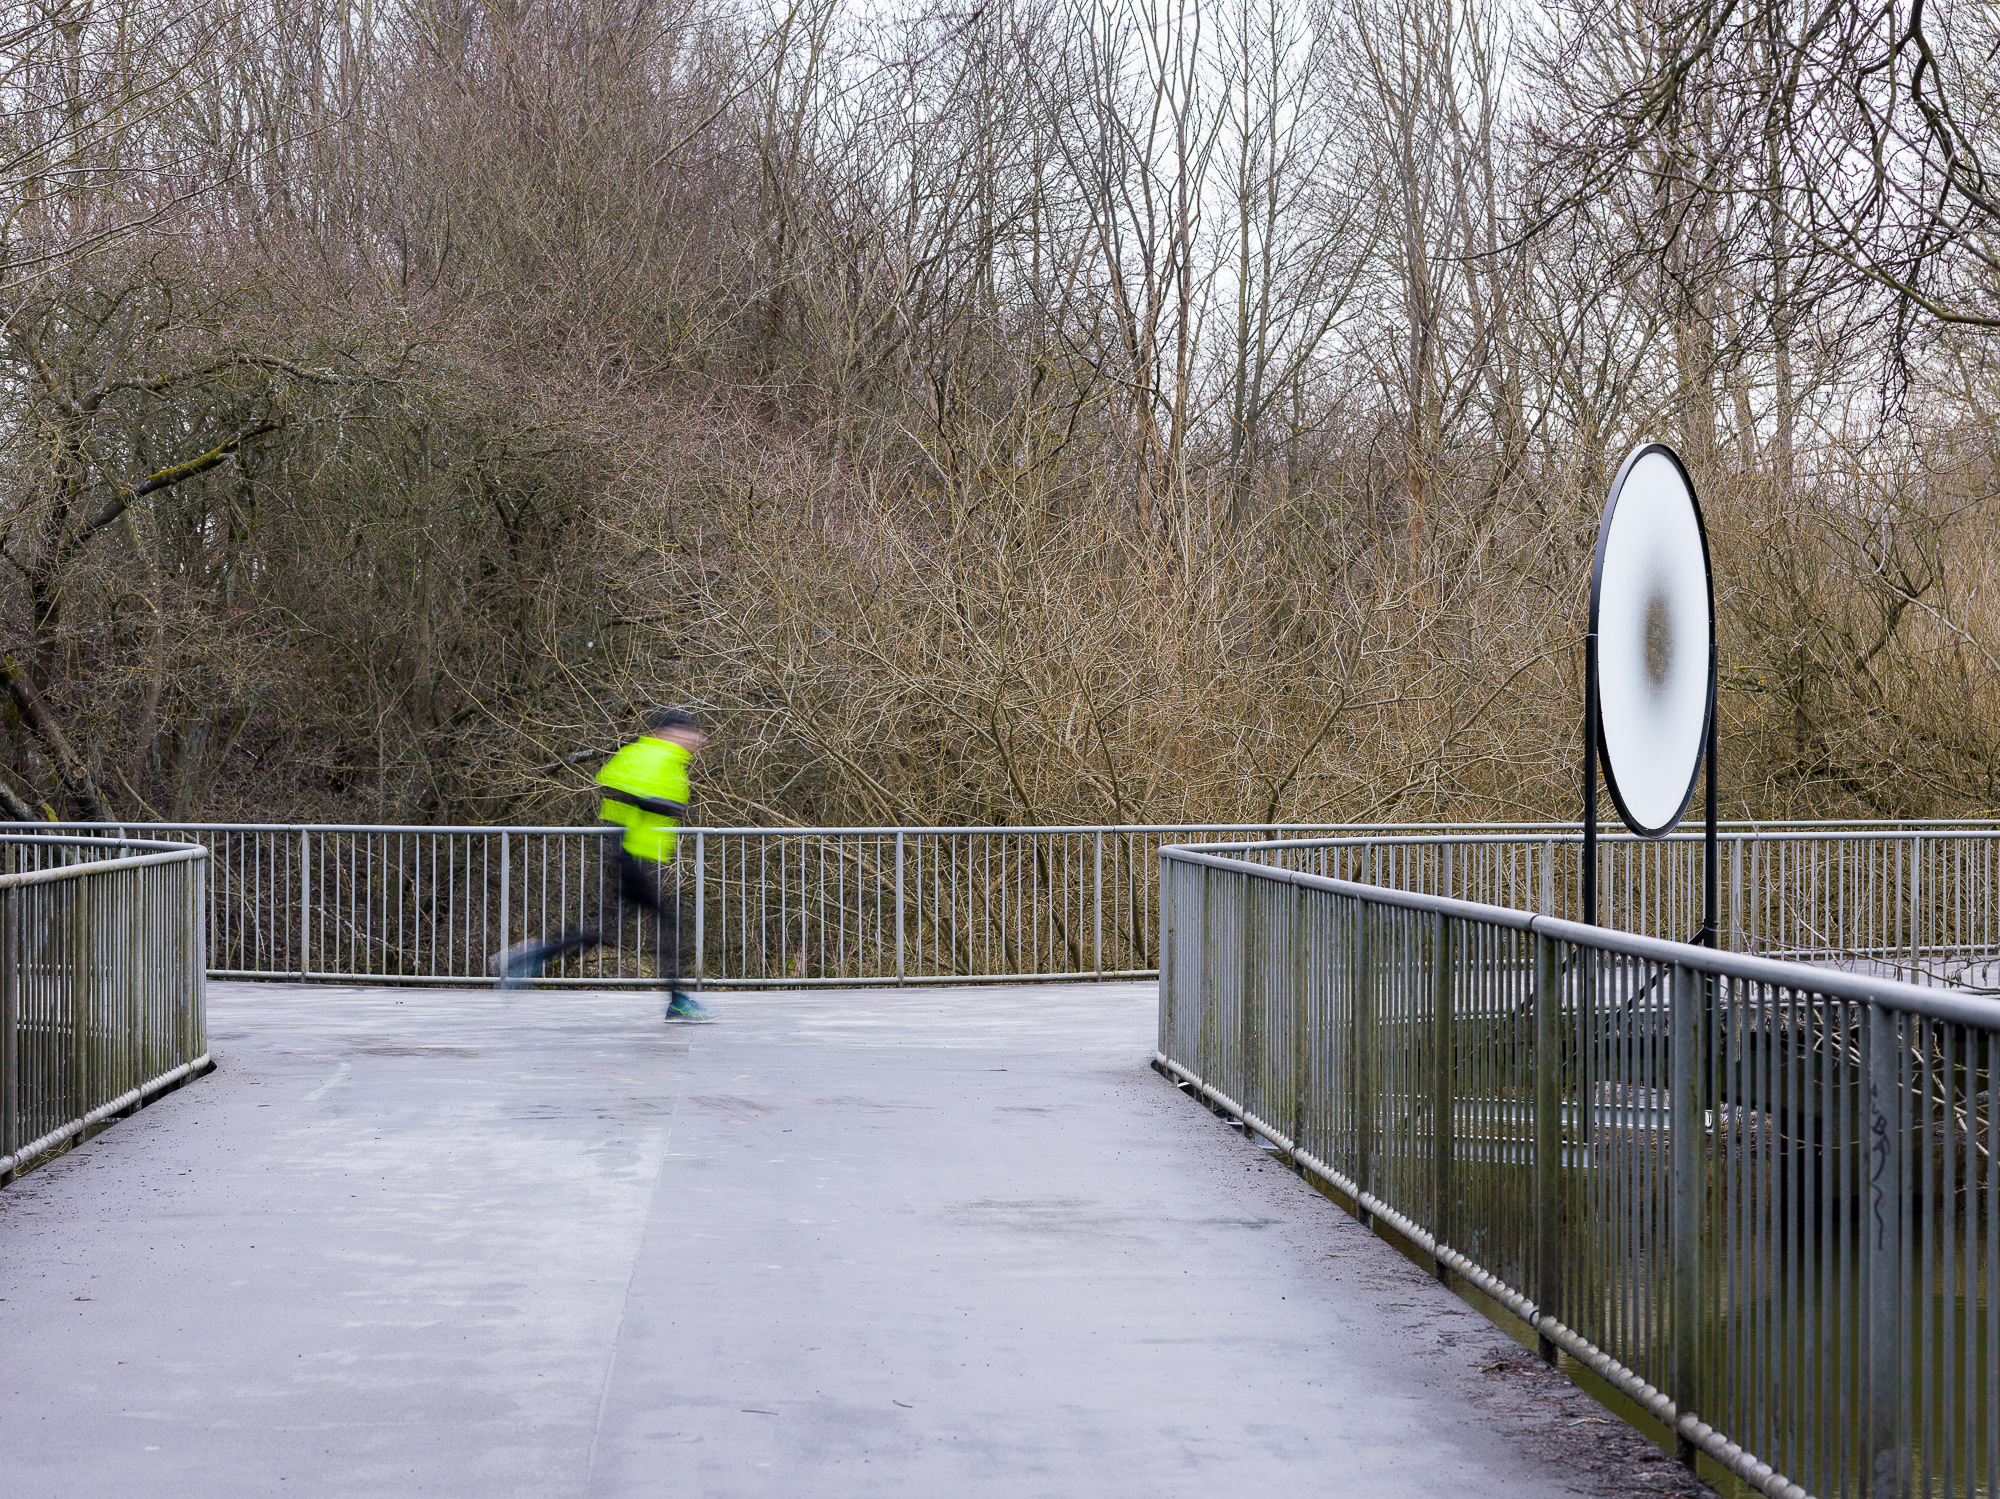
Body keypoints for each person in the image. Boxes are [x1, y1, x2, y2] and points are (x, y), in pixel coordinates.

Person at [490, 707, 715, 1021]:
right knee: (667, 924)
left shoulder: (660, 757)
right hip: (632, 854)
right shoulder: (652, 755)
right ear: (672, 731)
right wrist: (670, 807)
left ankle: (531, 956)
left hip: (634, 855)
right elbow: (627, 794)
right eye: (691, 731)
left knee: (605, 931)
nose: (698, 739)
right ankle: (677, 1001)